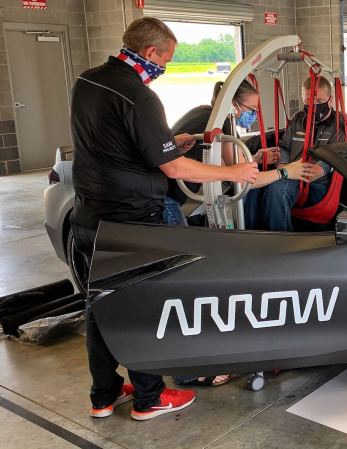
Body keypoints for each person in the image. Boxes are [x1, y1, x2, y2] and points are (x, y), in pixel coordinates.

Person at [70, 17, 259, 421]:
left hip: (90, 215)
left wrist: (178, 142)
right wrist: (235, 173)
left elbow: (119, 143)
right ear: (151, 53)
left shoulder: (87, 82)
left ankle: (103, 395)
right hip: (133, 222)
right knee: (142, 307)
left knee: (100, 305)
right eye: (166, 59)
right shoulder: (139, 96)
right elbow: (175, 170)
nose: (166, 67)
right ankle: (149, 397)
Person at [163, 79, 281, 226]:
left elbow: (218, 159)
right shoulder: (223, 122)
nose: (254, 114)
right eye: (251, 109)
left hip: (159, 191)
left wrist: (255, 158)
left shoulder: (203, 112)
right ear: (233, 104)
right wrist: (285, 173)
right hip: (167, 198)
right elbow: (245, 180)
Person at [244, 76, 347, 231]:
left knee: (277, 189)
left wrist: (320, 169)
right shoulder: (298, 118)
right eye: (307, 102)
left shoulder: (339, 122)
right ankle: (250, 236)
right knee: (253, 188)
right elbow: (285, 147)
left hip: (317, 182)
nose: (313, 106)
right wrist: (284, 167)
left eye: (318, 102)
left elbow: (337, 152)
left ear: (331, 100)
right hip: (291, 172)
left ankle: (280, 243)